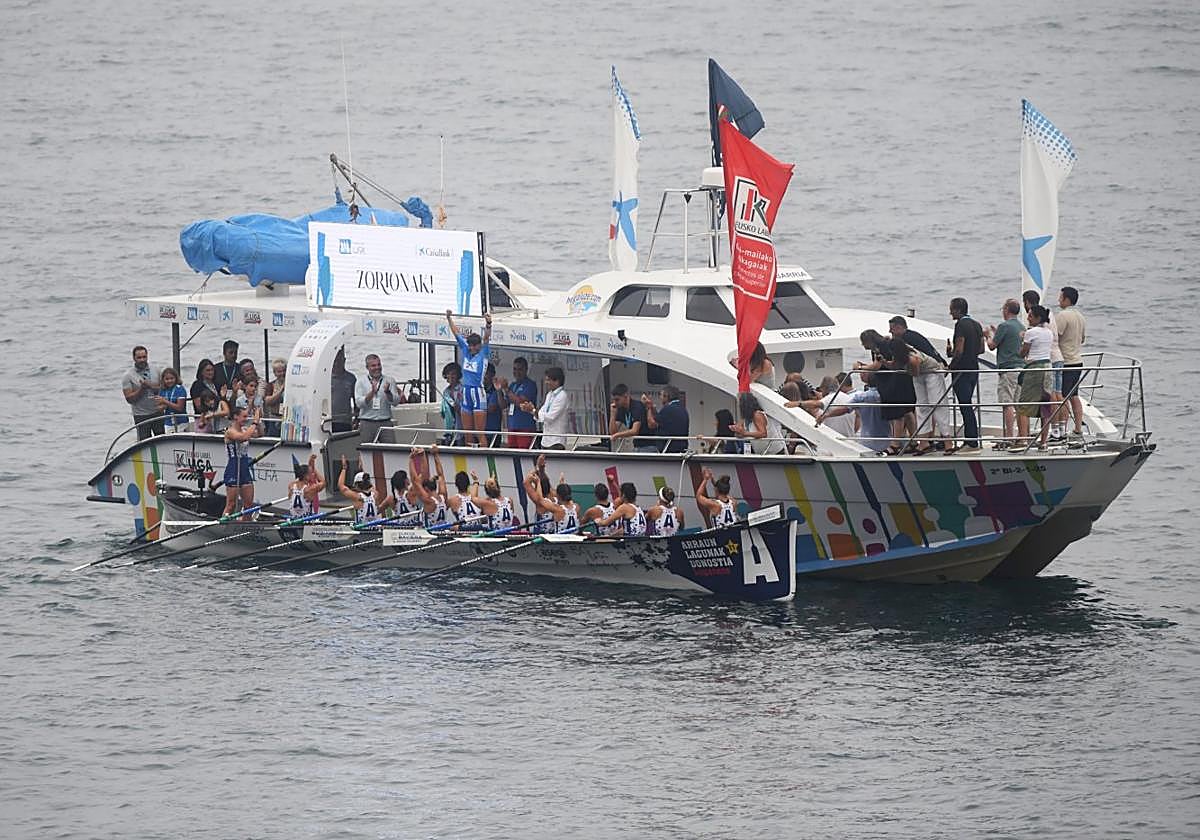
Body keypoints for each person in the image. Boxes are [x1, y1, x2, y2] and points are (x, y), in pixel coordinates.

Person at [890, 316, 951, 449]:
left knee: (936, 404)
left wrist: (912, 371)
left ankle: (946, 440)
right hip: (925, 370)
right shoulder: (911, 336)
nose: (891, 333)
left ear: (899, 328)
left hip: (932, 369)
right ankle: (926, 440)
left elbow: (915, 362)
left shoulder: (907, 339)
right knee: (923, 406)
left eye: (892, 330)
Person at [445, 309, 493, 446]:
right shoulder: (466, 352)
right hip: (466, 392)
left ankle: (485, 459)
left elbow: (486, 338)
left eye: (474, 345)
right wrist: (449, 318)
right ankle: (470, 461)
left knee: (479, 432)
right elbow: (456, 334)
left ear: (479, 345)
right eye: (470, 345)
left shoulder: (483, 353)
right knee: (467, 432)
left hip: (478, 392)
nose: (471, 348)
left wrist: (488, 323)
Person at [1023, 289, 1066, 440]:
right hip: (1057, 357)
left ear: (1027, 303)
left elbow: (1026, 349)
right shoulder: (1050, 315)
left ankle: (1054, 430)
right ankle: (1060, 428)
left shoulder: (1036, 327)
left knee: (1050, 397)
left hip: (1047, 360)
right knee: (1059, 395)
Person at [984, 299, 1026, 447]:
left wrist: (988, 335)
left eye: (1003, 308)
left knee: (1007, 404)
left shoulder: (1005, 326)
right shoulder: (1022, 326)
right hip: (1021, 368)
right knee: (1019, 404)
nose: (1002, 311)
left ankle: (1009, 437)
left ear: (1007, 309)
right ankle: (1022, 436)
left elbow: (991, 346)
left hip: (1008, 369)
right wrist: (997, 333)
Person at [946, 297, 983, 453]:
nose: (950, 312)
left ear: (958, 310)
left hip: (962, 370)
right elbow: (981, 349)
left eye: (952, 309)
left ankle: (971, 441)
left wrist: (950, 366)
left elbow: (960, 349)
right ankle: (971, 438)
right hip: (974, 367)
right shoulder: (976, 324)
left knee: (965, 405)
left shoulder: (961, 325)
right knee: (967, 403)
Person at [1017, 305, 1055, 450]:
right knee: (1045, 407)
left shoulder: (1031, 332)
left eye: (1030, 316)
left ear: (1038, 318)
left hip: (1034, 369)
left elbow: (1022, 353)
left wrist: (1021, 344)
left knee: (1023, 405)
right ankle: (1043, 442)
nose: (1028, 317)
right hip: (1047, 367)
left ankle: (1023, 439)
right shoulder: (1049, 332)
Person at [1055, 286, 1088, 444]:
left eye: (1060, 297)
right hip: (1077, 360)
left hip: (1065, 361)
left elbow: (1055, 336)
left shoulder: (1063, 315)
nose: (1058, 300)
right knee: (1074, 395)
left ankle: (1062, 429)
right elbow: (1082, 339)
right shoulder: (1080, 316)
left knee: (1062, 396)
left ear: (1067, 299)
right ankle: (1077, 428)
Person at [526, 455, 581, 533]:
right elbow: (560, 493)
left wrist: (537, 473)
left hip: (545, 538)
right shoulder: (575, 506)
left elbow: (526, 483)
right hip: (566, 537)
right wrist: (541, 469)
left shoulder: (549, 505)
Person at [222, 404, 260, 518]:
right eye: (244, 416)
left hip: (244, 468)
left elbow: (260, 433)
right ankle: (223, 526)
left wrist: (259, 419)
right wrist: (254, 422)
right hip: (233, 468)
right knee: (231, 505)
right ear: (235, 417)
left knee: (248, 505)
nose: (246, 419)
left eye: (247, 416)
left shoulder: (245, 429)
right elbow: (243, 437)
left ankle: (243, 528)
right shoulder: (230, 431)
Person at [355, 353, 401, 444]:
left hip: (385, 422)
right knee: (366, 451)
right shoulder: (360, 382)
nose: (377, 368)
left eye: (379, 364)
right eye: (373, 365)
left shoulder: (389, 380)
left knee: (391, 450)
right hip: (367, 422)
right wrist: (372, 393)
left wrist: (388, 393)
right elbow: (359, 403)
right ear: (367, 367)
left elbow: (395, 402)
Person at [521, 366, 569, 449]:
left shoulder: (562, 396)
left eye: (548, 380)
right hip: (546, 440)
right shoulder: (549, 395)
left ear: (557, 381)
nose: (546, 382)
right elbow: (541, 414)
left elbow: (550, 417)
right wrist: (530, 410)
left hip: (556, 441)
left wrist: (533, 410)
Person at [495, 356, 538, 449]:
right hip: (512, 427)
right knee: (514, 458)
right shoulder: (513, 385)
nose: (517, 372)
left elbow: (520, 403)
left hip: (525, 428)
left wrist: (506, 389)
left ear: (526, 370)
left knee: (524, 458)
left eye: (520, 369)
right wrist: (499, 390)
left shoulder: (530, 384)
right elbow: (503, 405)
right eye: (514, 369)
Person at [122, 345, 163, 440]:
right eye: (139, 357)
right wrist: (142, 389)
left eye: (144, 357)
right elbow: (129, 399)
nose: (142, 360)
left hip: (158, 412)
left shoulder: (156, 370)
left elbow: (163, 390)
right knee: (144, 442)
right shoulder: (128, 376)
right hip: (141, 415)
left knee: (161, 440)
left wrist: (151, 386)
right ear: (134, 358)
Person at [337, 455, 385, 526]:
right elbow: (368, 482)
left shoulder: (357, 497)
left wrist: (344, 468)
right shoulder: (375, 494)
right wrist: (362, 468)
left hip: (362, 531)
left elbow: (341, 486)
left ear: (357, 485)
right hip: (375, 529)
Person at [643, 385, 690, 453]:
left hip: (669, 448)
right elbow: (661, 419)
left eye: (661, 395)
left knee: (642, 450)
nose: (660, 398)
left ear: (666, 396)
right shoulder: (682, 408)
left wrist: (648, 408)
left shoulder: (668, 409)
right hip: (681, 447)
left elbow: (651, 424)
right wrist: (653, 408)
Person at [410, 447, 449, 527]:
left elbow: (415, 481)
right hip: (442, 534)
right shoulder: (443, 496)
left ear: (426, 489)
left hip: (429, 535)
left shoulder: (428, 500)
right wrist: (435, 454)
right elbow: (441, 475)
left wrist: (411, 459)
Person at [608, 383, 650, 452]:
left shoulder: (637, 406)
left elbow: (635, 431)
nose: (615, 403)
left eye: (617, 400)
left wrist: (618, 435)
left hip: (648, 445)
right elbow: (613, 432)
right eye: (613, 400)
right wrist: (613, 415)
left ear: (626, 396)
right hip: (636, 445)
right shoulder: (620, 408)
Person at [287, 454, 325, 520]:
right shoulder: (310, 489)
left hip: (293, 518)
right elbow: (323, 482)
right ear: (306, 476)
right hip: (306, 520)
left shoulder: (291, 485)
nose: (312, 474)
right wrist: (314, 470)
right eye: (311, 473)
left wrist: (310, 466)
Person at [329, 347, 357, 433]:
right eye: (334, 361)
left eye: (339, 361)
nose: (336, 364)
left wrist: (356, 418)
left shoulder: (351, 378)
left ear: (344, 360)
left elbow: (356, 401)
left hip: (345, 421)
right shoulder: (325, 377)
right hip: (328, 421)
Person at [155, 367, 189, 433]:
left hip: (181, 422)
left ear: (176, 378)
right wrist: (162, 407)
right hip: (168, 422)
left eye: (172, 378)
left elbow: (180, 408)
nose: (169, 381)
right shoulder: (162, 390)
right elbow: (159, 408)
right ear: (163, 380)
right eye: (167, 379)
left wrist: (165, 402)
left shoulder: (180, 389)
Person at [439, 362, 463, 445]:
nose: (451, 376)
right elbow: (442, 413)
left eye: (453, 374)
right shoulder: (445, 392)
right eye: (448, 374)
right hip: (449, 432)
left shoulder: (462, 389)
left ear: (458, 375)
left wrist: (458, 409)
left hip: (461, 431)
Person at [263, 358, 287, 436]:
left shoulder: (292, 385)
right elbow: (267, 401)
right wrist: (280, 391)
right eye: (279, 372)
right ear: (275, 373)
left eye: (284, 371)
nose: (282, 373)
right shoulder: (271, 385)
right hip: (274, 418)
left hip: (287, 418)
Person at [483, 363, 503, 446]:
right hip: (479, 432)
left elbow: (492, 408)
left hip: (492, 433)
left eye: (486, 373)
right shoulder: (479, 389)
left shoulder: (496, 390)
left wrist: (475, 409)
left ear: (492, 374)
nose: (484, 376)